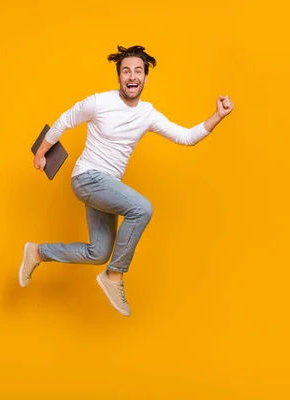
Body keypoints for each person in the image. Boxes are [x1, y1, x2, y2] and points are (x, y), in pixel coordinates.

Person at [18, 45, 234, 316]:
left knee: (97, 252)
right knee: (142, 208)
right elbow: (65, 120)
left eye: (138, 71)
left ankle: (37, 253)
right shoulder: (99, 102)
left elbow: (186, 137)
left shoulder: (148, 114)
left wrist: (218, 116)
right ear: (118, 76)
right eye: (126, 71)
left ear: (145, 77)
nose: (132, 76)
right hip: (87, 177)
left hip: (107, 187)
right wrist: (40, 153)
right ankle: (115, 275)